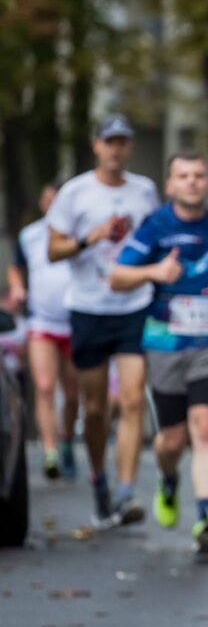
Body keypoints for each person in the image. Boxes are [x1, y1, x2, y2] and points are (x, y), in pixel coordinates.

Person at [110, 150, 208, 558]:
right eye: (183, 175)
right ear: (169, 184)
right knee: (171, 440)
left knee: (205, 426)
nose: (192, 182)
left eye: (199, 175)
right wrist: (153, 272)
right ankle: (168, 479)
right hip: (166, 344)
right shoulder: (156, 226)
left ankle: (206, 516)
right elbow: (117, 275)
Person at [46, 114, 160, 528]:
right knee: (95, 410)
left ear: (129, 147)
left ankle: (127, 490)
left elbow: (155, 238)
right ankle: (99, 478)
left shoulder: (144, 190)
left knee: (131, 399)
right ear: (96, 145)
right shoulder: (75, 192)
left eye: (123, 142)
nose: (116, 149)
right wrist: (87, 239)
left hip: (132, 303)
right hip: (89, 307)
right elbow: (52, 250)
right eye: (109, 141)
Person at [8, 183, 80, 480]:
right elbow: (16, 266)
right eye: (48, 200)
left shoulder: (78, 233)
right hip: (42, 322)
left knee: (73, 393)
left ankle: (65, 440)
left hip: (76, 321)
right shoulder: (31, 235)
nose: (53, 206)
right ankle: (50, 451)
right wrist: (17, 287)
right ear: (41, 203)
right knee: (45, 387)